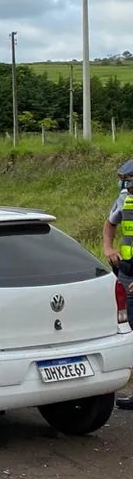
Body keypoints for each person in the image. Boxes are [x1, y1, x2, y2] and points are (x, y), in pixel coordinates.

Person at [102, 158, 133, 410]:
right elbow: (110, 223)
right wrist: (108, 247)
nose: (126, 186)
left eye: (130, 181)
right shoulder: (124, 198)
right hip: (126, 271)